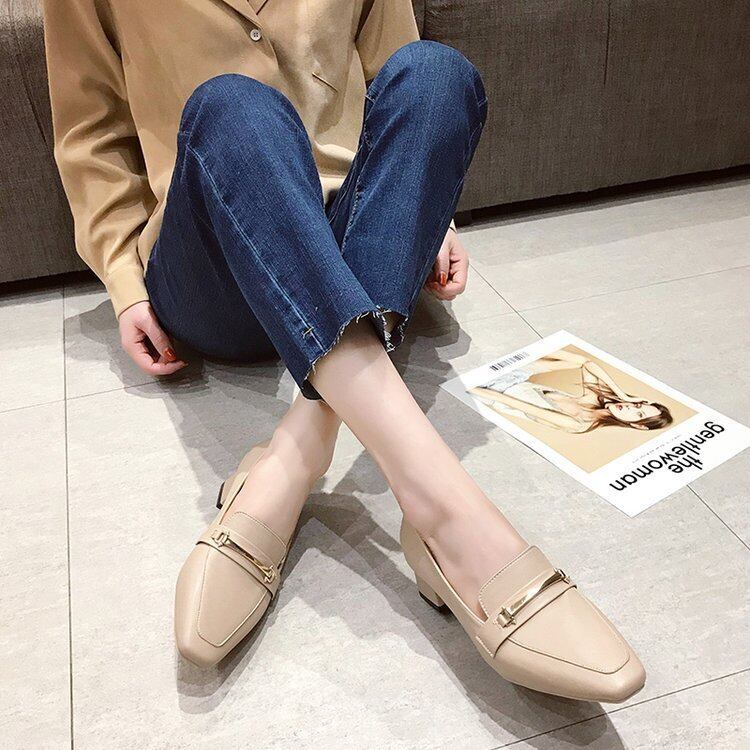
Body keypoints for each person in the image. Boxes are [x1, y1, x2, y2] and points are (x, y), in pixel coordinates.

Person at [43, 0, 645, 702]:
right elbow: (91, 130)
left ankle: (294, 457)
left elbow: (392, 73)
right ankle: (448, 514)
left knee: (436, 75)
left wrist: (427, 218)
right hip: (212, 250)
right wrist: (123, 279)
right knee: (233, 105)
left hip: (344, 239)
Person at [470, 349, 673, 433]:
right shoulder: (595, 400)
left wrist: (471, 387)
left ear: (637, 425)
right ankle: (537, 349)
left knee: (542, 365)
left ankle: (533, 354)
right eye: (637, 405)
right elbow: (587, 363)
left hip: (491, 392)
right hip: (514, 376)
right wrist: (622, 394)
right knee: (576, 361)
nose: (629, 407)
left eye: (638, 414)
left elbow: (513, 403)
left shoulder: (580, 424)